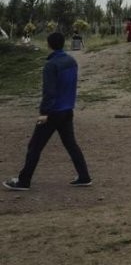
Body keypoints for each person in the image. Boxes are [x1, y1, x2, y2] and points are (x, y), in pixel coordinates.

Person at [3, 32, 92, 191]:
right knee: (71, 144)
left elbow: (49, 91)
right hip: (67, 110)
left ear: (49, 44)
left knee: (34, 146)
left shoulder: (51, 65)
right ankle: (84, 176)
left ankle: (23, 181)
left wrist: (44, 112)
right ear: (63, 43)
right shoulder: (71, 61)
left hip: (53, 112)